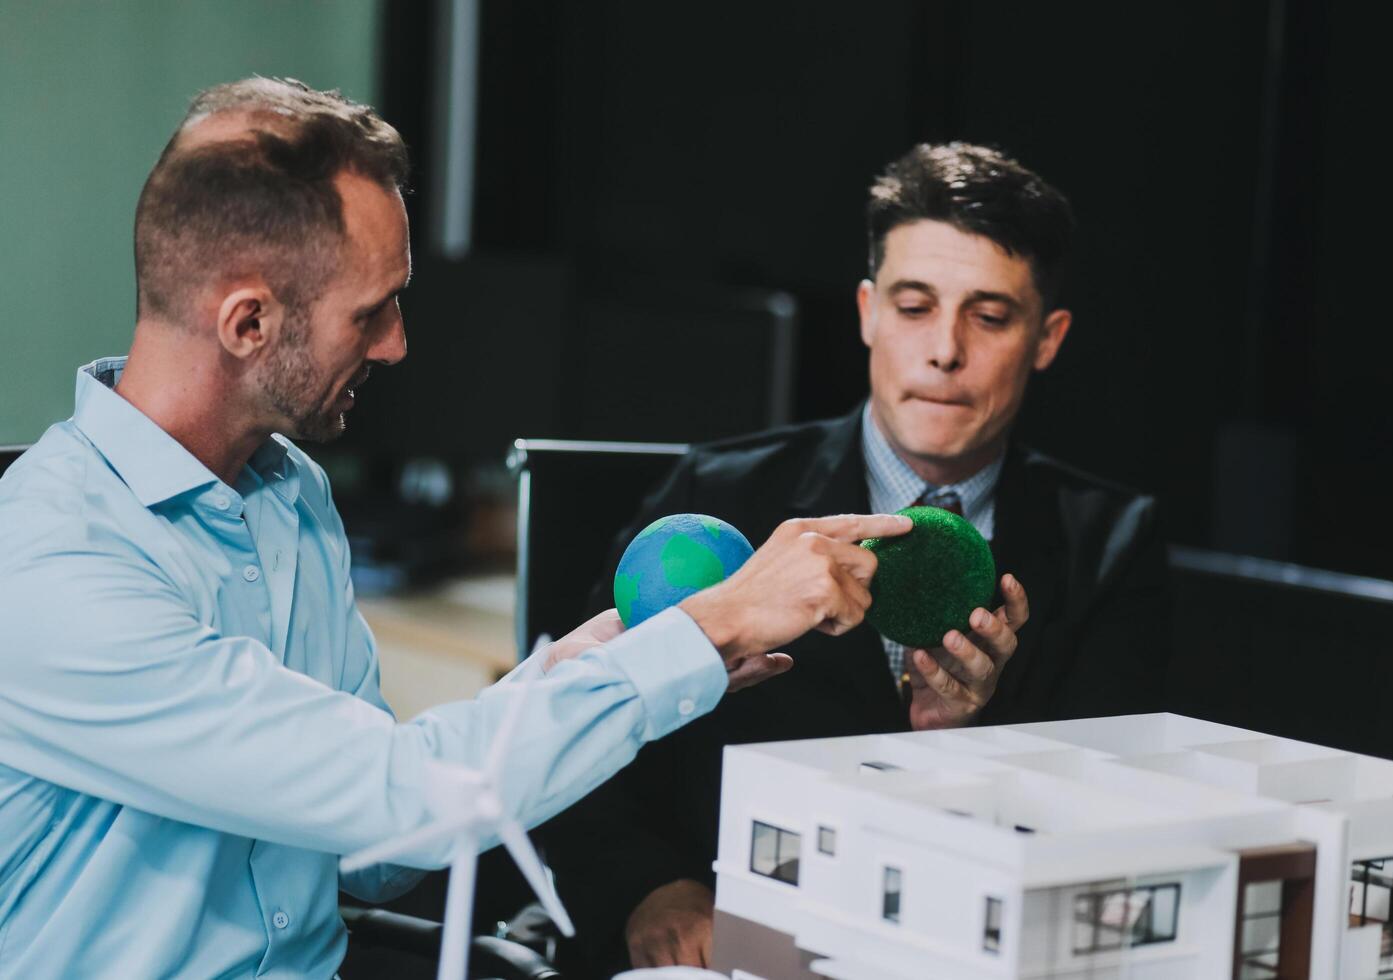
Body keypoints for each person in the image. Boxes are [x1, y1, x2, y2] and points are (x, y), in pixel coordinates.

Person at [0, 78, 920, 979]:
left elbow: (373, 852)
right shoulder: (52, 567)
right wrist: (710, 626)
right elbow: (393, 799)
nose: (397, 343)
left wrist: (584, 668)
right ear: (248, 323)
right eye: (371, 311)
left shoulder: (291, 495)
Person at [539, 142, 1169, 975]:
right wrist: (648, 890)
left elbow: (1112, 824)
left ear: (1046, 338)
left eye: (988, 317)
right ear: (869, 312)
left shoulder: (1113, 542)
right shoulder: (716, 498)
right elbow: (572, 732)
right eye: (914, 307)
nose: (944, 351)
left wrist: (961, 745)